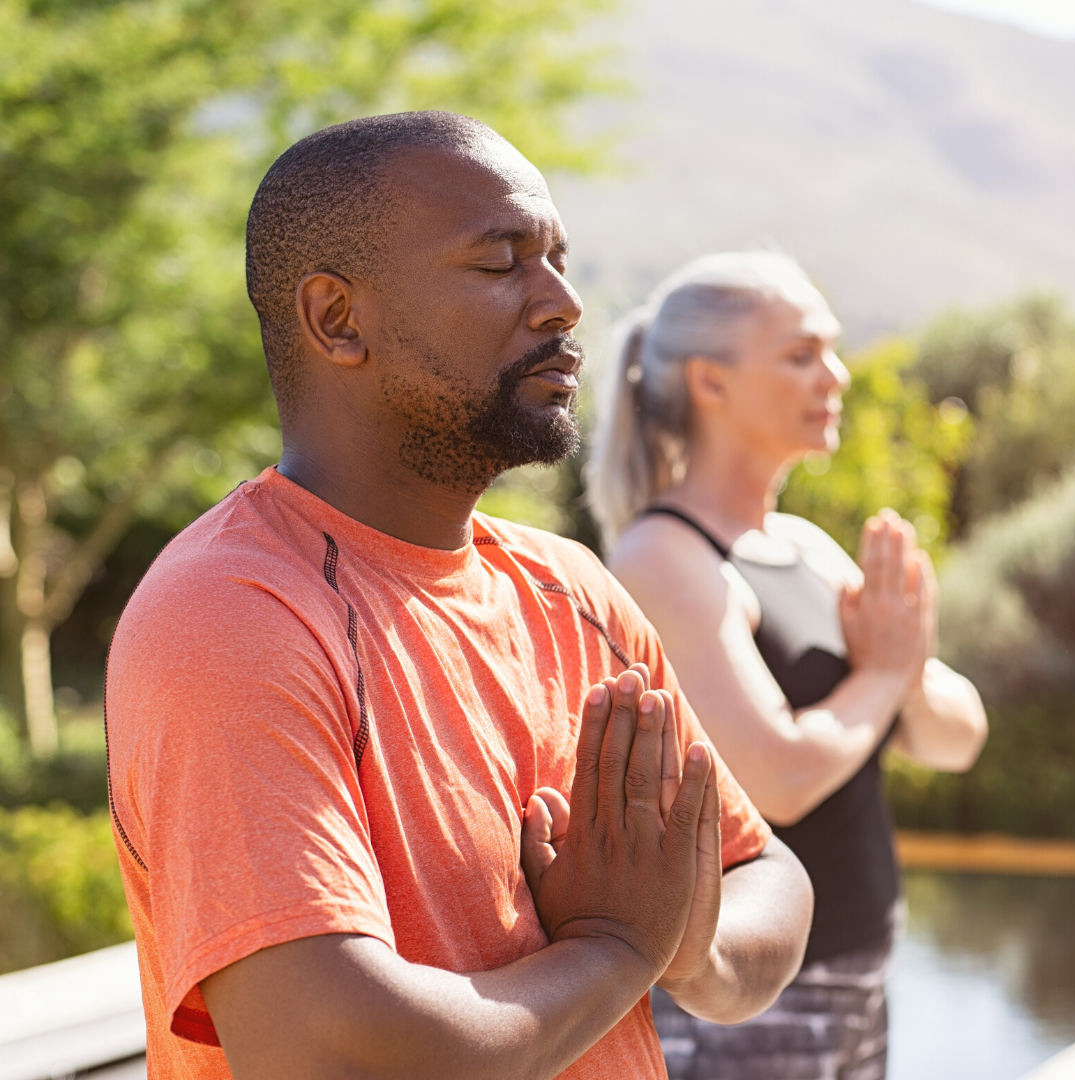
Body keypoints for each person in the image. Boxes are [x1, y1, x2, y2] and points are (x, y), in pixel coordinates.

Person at [104, 112, 815, 1080]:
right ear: (336, 319)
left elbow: (769, 876)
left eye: (558, 258)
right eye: (500, 264)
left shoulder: (572, 593)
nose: (563, 302)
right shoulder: (232, 615)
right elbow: (327, 1051)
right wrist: (615, 949)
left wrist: (690, 940)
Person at [585, 251, 989, 1079]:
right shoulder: (664, 557)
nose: (835, 376)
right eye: (802, 354)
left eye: (831, 350)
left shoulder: (803, 548)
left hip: (853, 979)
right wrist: (885, 676)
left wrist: (902, 669)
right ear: (711, 381)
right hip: (749, 1003)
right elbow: (776, 778)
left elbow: (957, 738)